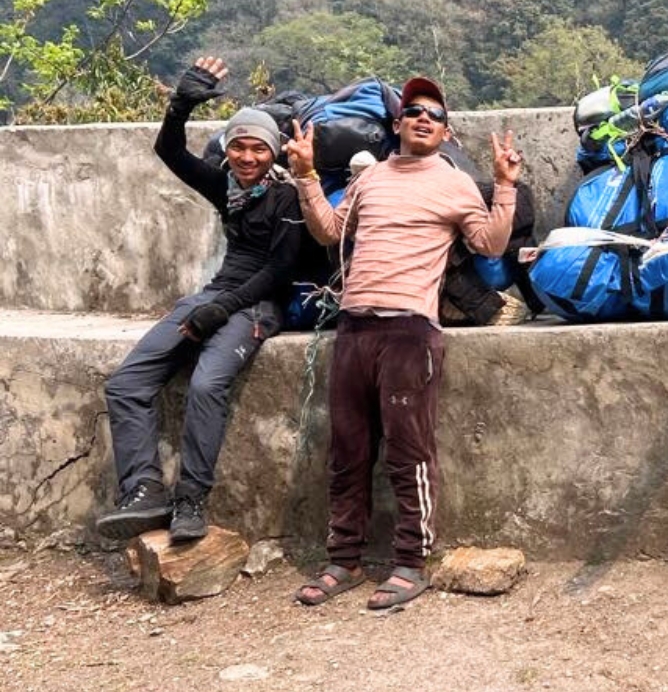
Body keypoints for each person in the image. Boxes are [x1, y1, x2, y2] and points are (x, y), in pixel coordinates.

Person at [287, 76, 522, 610]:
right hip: (353, 326)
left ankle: (411, 562)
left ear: (445, 132)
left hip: (410, 331)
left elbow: (488, 243)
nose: (422, 118)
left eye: (434, 115)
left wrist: (504, 185)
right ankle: (343, 560)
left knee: (409, 453)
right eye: (413, 111)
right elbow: (329, 231)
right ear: (397, 124)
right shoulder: (370, 179)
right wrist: (305, 176)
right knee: (347, 451)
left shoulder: (456, 183)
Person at [98, 57, 303, 544]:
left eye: (258, 148)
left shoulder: (287, 198)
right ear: (228, 150)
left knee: (207, 385)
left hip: (255, 305)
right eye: (238, 147)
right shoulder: (225, 186)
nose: (247, 157)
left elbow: (279, 271)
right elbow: (169, 151)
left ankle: (191, 498)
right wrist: (181, 105)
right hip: (213, 297)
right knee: (126, 384)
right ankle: (144, 489)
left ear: (272, 152)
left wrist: (221, 310)